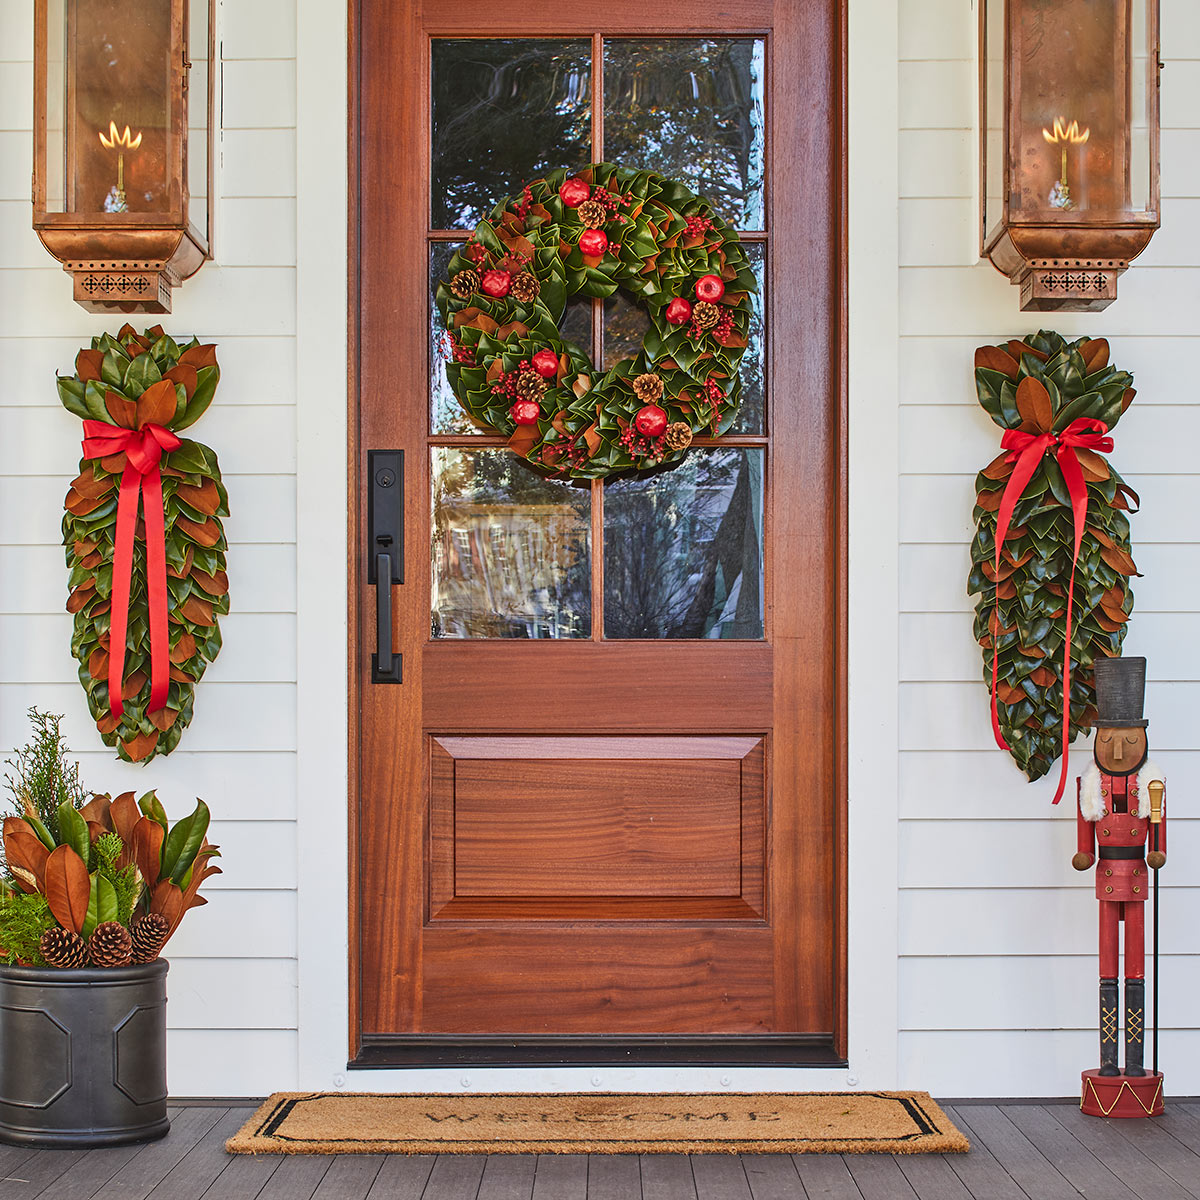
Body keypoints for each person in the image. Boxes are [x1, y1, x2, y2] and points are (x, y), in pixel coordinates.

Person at [1073, 656, 1166, 1079]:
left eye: (1128, 740)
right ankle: (1110, 1063)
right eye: (1109, 739)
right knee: (1107, 964)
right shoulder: (1090, 785)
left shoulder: (1152, 785)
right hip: (1108, 874)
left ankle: (1136, 1062)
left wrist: (1157, 852)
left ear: (1141, 739)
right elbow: (1085, 828)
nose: (1116, 750)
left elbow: (1159, 830)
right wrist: (1085, 853)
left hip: (1138, 873)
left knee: (1136, 967)